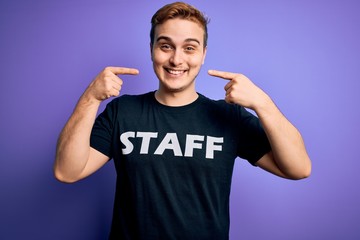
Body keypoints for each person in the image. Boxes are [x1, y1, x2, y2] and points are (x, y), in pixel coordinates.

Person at [54, 2, 311, 239]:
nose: (176, 59)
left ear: (203, 54)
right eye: (165, 45)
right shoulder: (123, 111)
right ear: (152, 49)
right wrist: (91, 98)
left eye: (189, 48)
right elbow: (67, 171)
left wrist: (262, 103)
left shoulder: (228, 117)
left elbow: (299, 168)